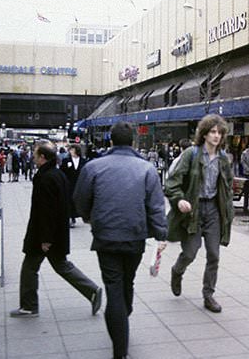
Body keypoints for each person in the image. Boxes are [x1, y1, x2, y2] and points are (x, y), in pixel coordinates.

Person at [73, 122, 167, 359]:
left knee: (114, 286)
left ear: (111, 141)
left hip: (106, 235)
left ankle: (120, 347)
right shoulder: (147, 169)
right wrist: (161, 234)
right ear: (133, 141)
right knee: (128, 282)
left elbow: (80, 198)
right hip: (135, 235)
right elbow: (156, 206)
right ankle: (123, 319)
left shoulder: (94, 167)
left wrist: (89, 217)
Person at [11, 142, 102, 318]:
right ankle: (92, 290)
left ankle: (29, 306)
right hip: (56, 232)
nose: (33, 158)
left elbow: (46, 211)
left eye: (36, 155)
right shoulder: (58, 175)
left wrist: (46, 239)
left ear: (43, 157)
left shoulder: (45, 178)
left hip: (44, 234)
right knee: (61, 266)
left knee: (30, 267)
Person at [165, 114, 234, 314]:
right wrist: (180, 200)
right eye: (212, 132)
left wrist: (227, 210)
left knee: (214, 254)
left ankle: (208, 295)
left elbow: (227, 186)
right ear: (204, 134)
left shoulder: (223, 159)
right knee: (190, 252)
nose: (216, 136)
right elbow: (172, 182)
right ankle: (177, 271)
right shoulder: (191, 154)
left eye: (219, 132)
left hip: (213, 210)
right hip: (193, 210)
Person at [60, 144, 84, 228]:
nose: (71, 151)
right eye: (70, 150)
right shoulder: (66, 161)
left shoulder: (83, 161)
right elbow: (62, 172)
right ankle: (70, 218)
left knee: (75, 201)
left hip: (79, 184)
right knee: (69, 201)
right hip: (69, 184)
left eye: (72, 150)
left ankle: (74, 216)